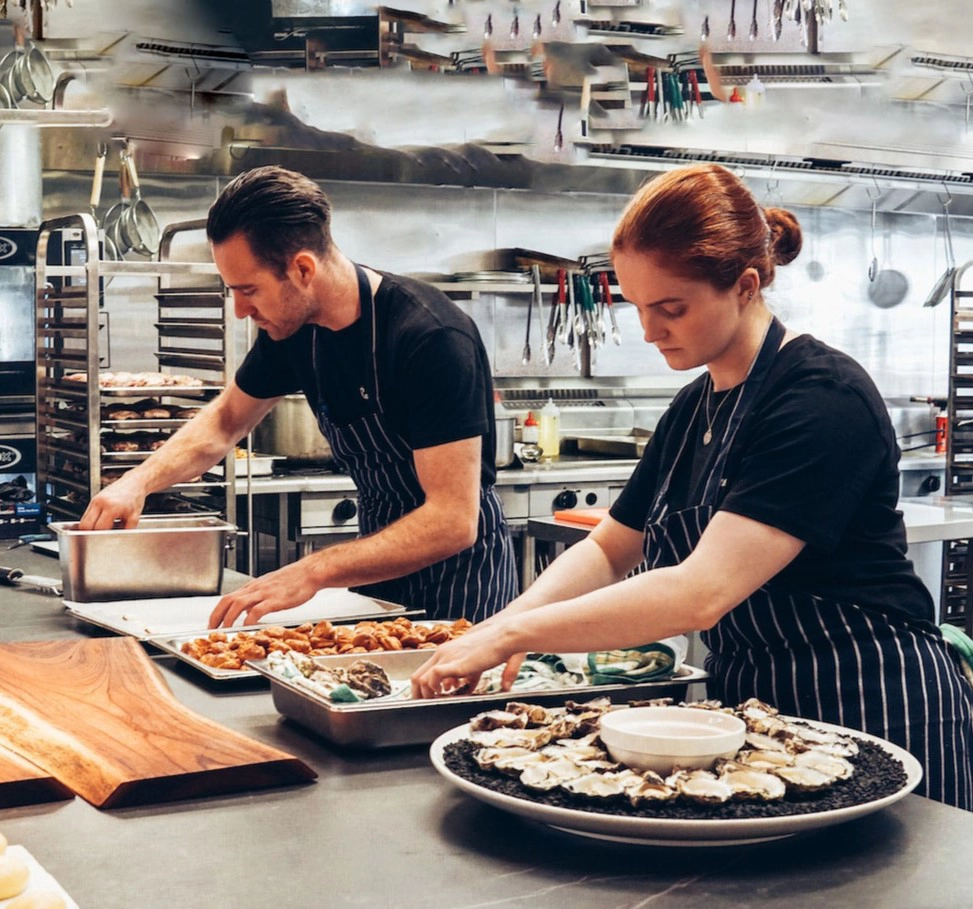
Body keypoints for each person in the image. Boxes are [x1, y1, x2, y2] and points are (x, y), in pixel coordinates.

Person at [412, 163, 973, 811]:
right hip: (757, 713)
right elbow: (607, 550)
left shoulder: (819, 397)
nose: (649, 331)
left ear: (744, 285)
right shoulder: (691, 407)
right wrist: (501, 623)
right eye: (638, 307)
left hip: (872, 697)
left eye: (669, 308)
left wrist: (516, 635)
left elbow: (700, 593)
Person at [79, 165, 518, 627]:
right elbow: (226, 420)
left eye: (249, 290)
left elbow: (452, 520)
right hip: (376, 570)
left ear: (303, 268)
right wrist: (137, 483)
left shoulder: (430, 336)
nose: (241, 310)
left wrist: (313, 570)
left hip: (463, 587)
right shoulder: (294, 331)